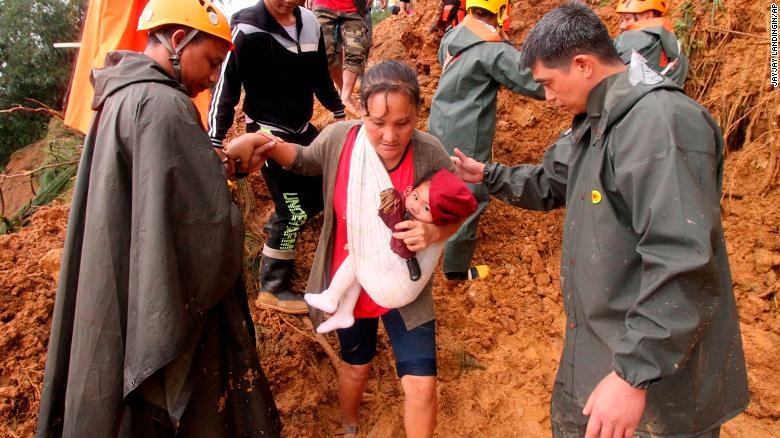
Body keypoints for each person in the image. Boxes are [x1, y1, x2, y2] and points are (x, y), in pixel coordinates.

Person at [451, 3, 749, 437]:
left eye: (549, 84)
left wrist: (633, 375)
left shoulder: (659, 126)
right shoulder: (594, 122)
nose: (547, 98)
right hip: (599, 356)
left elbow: (682, 261)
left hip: (656, 388)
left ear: (582, 65)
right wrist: (489, 175)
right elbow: (551, 182)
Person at [36, 0, 281, 436]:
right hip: (149, 311)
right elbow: (202, 226)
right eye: (211, 61)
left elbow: (159, 186)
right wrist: (226, 184)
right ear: (179, 39)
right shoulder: (164, 105)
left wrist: (223, 163)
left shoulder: (123, 95)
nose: (212, 77)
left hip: (117, 289)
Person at [228, 60, 460, 438]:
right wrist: (266, 146)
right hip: (350, 281)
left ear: (417, 113)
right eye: (377, 122)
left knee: (421, 383)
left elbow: (458, 209)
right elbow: (303, 161)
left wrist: (434, 230)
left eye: (403, 123)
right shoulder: (341, 140)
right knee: (357, 366)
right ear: (361, 111)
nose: (389, 136)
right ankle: (348, 426)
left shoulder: (429, 153)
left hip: (405, 284)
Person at [208, 0, 346, 314]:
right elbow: (225, 87)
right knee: (293, 211)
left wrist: (339, 112)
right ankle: (273, 287)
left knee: (330, 186)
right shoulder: (245, 26)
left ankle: (279, 229)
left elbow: (320, 76)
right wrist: (215, 138)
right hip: (266, 136)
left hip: (303, 129)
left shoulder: (310, 23)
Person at [428, 0, 544, 282]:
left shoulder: (454, 35)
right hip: (468, 132)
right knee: (470, 194)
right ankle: (455, 269)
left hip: (439, 122)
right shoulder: (493, 50)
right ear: (502, 12)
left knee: (436, 184)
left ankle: (428, 246)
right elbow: (533, 82)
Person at [300, 169, 476, 333]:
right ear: (410, 190)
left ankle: (331, 297)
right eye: (415, 197)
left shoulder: (416, 227)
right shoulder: (404, 209)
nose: (416, 207)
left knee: (355, 260)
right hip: (384, 263)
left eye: (426, 208)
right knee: (358, 275)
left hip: (392, 268)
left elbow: (396, 241)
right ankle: (345, 312)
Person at [311, 0, 369, 115]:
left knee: (356, 51)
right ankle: (343, 89)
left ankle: (345, 97)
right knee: (324, 54)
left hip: (353, 8)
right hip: (323, 5)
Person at [613, 0, 688, 86]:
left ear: (648, 16)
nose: (621, 25)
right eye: (621, 20)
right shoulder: (674, 45)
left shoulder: (632, 39)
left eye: (627, 19)